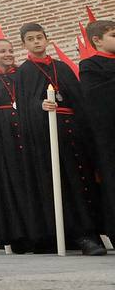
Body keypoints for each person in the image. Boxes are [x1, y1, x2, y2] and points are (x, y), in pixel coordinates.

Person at [15, 23, 105, 255]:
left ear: (46, 39)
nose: (36, 42)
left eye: (39, 37)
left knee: (86, 181)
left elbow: (79, 98)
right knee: (66, 185)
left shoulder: (62, 67)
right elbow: (25, 106)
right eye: (31, 39)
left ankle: (96, 231)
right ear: (24, 44)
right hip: (49, 138)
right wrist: (39, 105)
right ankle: (80, 235)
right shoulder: (24, 72)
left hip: (74, 132)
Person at [0, 38, 45, 253]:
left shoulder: (23, 75)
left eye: (11, 50)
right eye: (2, 51)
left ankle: (43, 233)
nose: (8, 54)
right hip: (4, 142)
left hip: (29, 138)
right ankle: (19, 235)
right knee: (12, 187)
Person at [79, 19, 115, 233]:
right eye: (113, 35)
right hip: (109, 138)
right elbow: (98, 98)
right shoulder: (90, 66)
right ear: (97, 40)